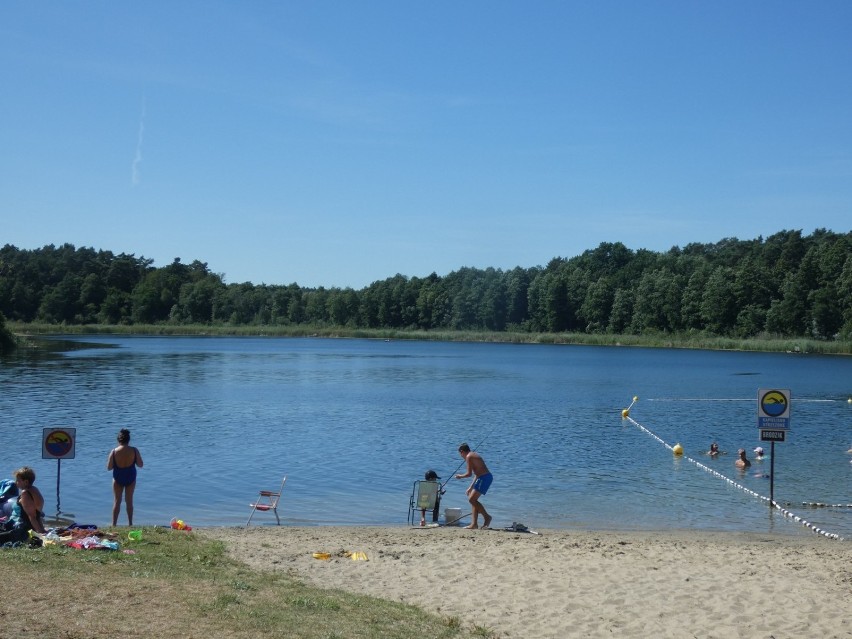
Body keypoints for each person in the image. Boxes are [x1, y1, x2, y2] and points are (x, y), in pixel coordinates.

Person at [107, 428, 144, 526]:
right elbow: (140, 464)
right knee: (129, 501)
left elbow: (109, 468)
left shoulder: (114, 451)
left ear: (118, 440)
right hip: (130, 477)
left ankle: (114, 524)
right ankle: (130, 523)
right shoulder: (134, 450)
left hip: (118, 477)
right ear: (129, 440)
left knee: (117, 501)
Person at [0, 467, 46, 544]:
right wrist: (42, 529)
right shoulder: (35, 489)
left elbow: (32, 517)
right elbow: (38, 515)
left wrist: (40, 534)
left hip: (21, 529)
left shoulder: (25, 494)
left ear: (26, 482)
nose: (15, 482)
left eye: (18, 480)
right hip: (23, 525)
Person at [454, 443, 493, 530]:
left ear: (462, 452)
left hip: (485, 478)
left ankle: (487, 517)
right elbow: (476, 473)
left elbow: (469, 474)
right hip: (483, 477)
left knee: (472, 499)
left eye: (460, 454)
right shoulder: (472, 455)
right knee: (473, 500)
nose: (461, 456)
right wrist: (471, 487)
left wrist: (460, 476)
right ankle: (474, 524)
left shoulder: (469, 456)